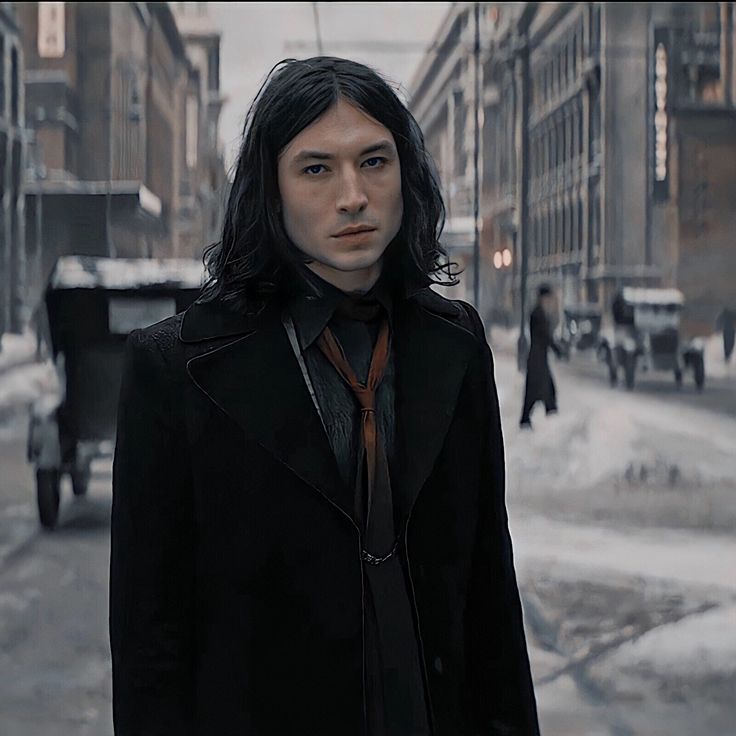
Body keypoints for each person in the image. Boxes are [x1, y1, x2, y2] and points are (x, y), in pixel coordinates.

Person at [110, 56, 539, 736]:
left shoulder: (453, 345)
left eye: (375, 162)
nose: (353, 195)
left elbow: (489, 598)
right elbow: (149, 648)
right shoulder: (174, 369)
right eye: (316, 168)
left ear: (407, 175)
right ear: (270, 191)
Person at [520, 284, 561, 429]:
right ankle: (530, 417)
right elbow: (545, 335)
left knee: (544, 386)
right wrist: (557, 349)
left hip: (538, 356)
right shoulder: (538, 313)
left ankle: (549, 410)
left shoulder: (540, 312)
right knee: (536, 388)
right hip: (537, 357)